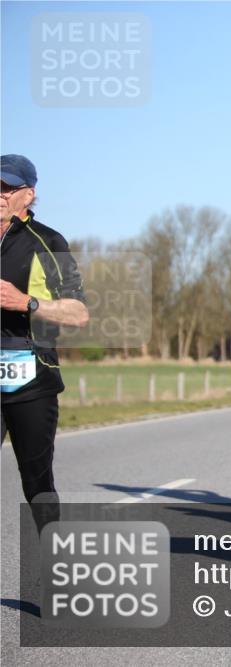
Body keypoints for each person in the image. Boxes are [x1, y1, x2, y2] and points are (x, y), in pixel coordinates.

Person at [0, 154, 89, 532]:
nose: (0, 193)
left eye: (8, 187)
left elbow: (78, 313)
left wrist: (27, 302)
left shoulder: (48, 242)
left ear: (29, 194)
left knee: (37, 483)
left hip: (30, 376)